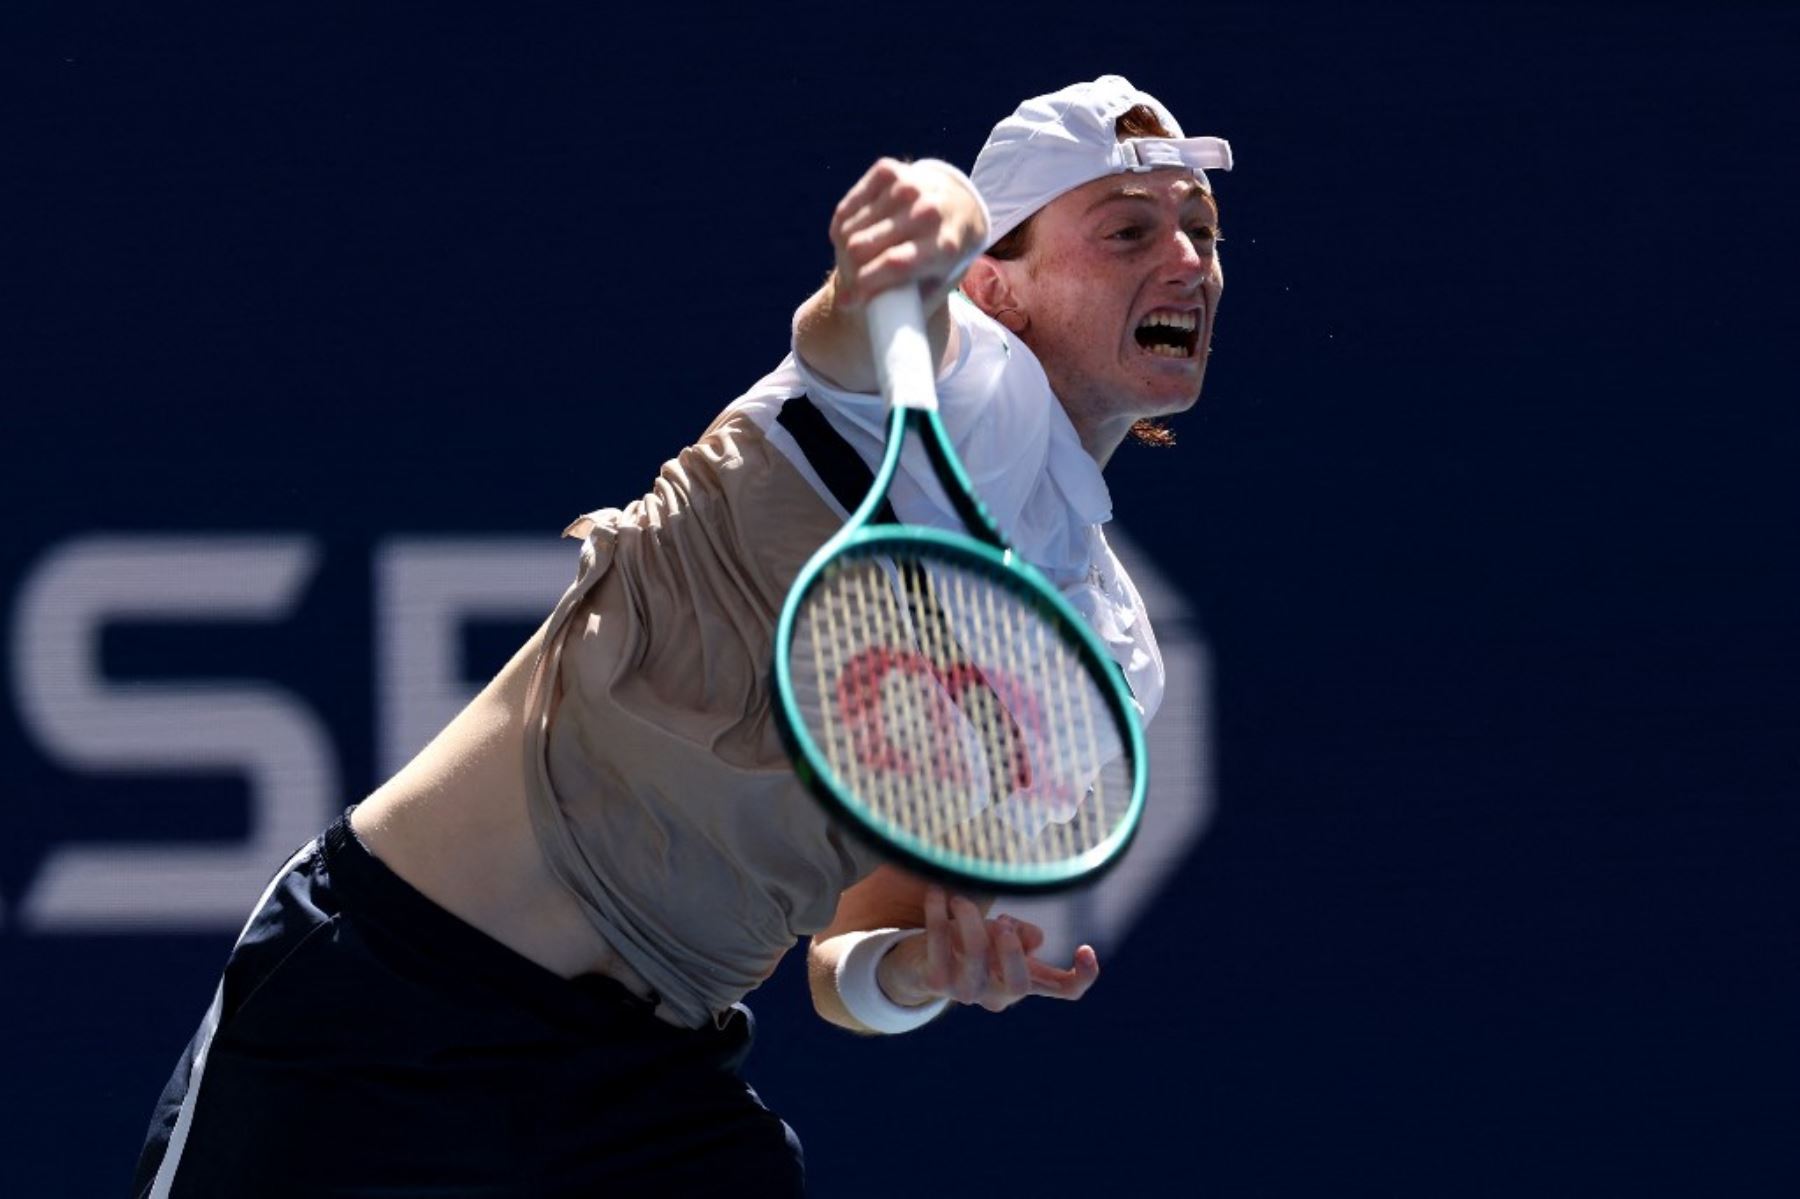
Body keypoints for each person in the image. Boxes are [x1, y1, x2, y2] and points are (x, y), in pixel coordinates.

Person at [133, 75, 1230, 1197]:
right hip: (387, 999)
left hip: (639, 1087)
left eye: (1202, 229)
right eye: (1129, 229)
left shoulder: (1098, 648)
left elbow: (849, 963)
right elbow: (869, 304)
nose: (1188, 260)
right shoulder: (933, 375)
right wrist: (923, 222)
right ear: (998, 280)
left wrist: (926, 971)